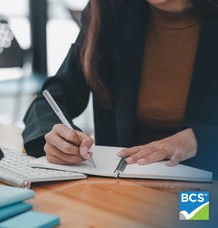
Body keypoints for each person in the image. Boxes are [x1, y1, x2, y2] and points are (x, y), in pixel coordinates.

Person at [22, 0, 218, 179]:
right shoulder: (110, 10)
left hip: (202, 188)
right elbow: (52, 99)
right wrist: (57, 137)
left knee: (191, 218)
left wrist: (199, 140)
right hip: (116, 187)